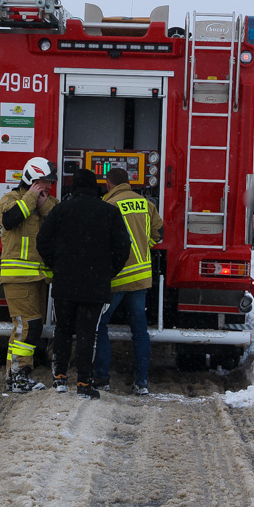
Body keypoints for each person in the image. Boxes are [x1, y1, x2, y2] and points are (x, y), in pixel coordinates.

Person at [36, 169, 130, 400]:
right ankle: (84, 382)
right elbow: (122, 248)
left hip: (65, 283)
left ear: (73, 188)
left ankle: (59, 378)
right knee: (88, 333)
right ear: (95, 187)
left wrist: (55, 264)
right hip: (95, 285)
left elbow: (42, 241)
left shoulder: (60, 211)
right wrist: (108, 271)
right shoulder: (109, 212)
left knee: (63, 330)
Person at [93, 168, 164, 395]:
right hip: (141, 277)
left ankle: (102, 378)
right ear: (129, 182)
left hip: (118, 277)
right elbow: (159, 232)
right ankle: (142, 382)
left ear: (108, 183)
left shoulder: (109, 205)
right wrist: (144, 248)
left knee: (101, 324)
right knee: (140, 330)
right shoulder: (145, 203)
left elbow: (102, 240)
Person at [0, 157, 59, 393]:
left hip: (39, 279)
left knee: (28, 328)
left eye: (51, 183)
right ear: (32, 180)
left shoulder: (49, 203)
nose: (49, 187)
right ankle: (20, 376)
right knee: (28, 327)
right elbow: (11, 220)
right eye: (44, 182)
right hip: (18, 278)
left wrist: (44, 205)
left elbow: (61, 222)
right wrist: (31, 199)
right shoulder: (11, 200)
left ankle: (15, 376)